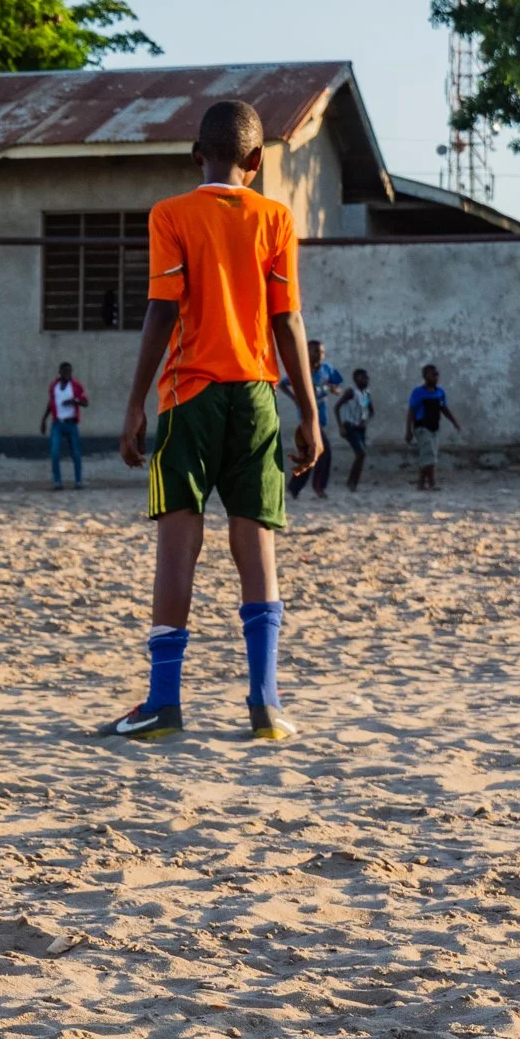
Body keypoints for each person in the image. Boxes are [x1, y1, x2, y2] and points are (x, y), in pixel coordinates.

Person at [108, 100, 318, 744]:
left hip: (188, 397)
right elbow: (287, 321)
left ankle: (163, 704)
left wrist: (135, 400)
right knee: (256, 547)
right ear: (257, 161)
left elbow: (161, 310)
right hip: (256, 396)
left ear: (196, 154)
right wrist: (308, 413)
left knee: (180, 549)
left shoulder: (171, 214)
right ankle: (266, 705)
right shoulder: (276, 218)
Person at [279, 338, 342, 500]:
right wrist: (295, 399)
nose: (319, 355)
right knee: (324, 451)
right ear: (307, 352)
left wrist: (334, 389)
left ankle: (294, 487)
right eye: (315, 351)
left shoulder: (327, 369)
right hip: (307, 419)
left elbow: (337, 386)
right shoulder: (301, 369)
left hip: (321, 418)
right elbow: (283, 384)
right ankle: (318, 487)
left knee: (310, 454)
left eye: (321, 352)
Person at [406, 364, 462, 491]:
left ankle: (421, 483)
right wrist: (408, 430)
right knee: (429, 454)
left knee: (429, 455)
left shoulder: (440, 392)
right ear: (425, 376)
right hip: (422, 427)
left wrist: (454, 422)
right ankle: (431, 483)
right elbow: (411, 412)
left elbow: (444, 408)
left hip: (434, 427)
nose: (436, 377)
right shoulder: (418, 393)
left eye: (437, 374)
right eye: (433, 374)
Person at [39, 361, 88, 490]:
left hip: (71, 423)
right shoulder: (54, 386)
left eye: (70, 372)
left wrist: (74, 401)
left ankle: (78, 481)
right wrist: (44, 419)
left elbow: (85, 402)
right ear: (60, 372)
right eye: (65, 371)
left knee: (76, 453)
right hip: (57, 424)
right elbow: (51, 403)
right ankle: (57, 482)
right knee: (54, 453)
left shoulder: (76, 386)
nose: (68, 374)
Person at [334, 369, 374, 492]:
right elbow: (337, 407)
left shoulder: (366, 393)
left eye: (367, 378)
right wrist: (340, 426)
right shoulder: (351, 392)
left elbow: (371, 411)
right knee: (361, 453)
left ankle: (353, 482)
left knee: (361, 455)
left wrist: (365, 420)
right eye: (363, 378)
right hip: (349, 426)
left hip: (360, 428)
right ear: (356, 379)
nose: (366, 380)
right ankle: (351, 482)